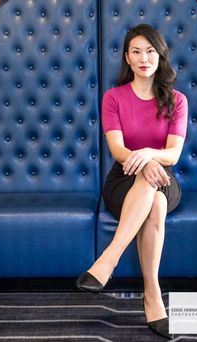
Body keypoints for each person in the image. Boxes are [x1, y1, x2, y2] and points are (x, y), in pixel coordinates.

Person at [76, 23, 188, 339]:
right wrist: (143, 160)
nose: (143, 58)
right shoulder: (114, 97)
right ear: (127, 57)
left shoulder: (177, 100)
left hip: (164, 175)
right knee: (153, 198)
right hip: (122, 177)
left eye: (150, 51)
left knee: (155, 187)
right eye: (136, 51)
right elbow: (118, 150)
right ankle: (153, 297)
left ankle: (106, 263)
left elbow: (174, 154)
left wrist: (150, 156)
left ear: (160, 55)